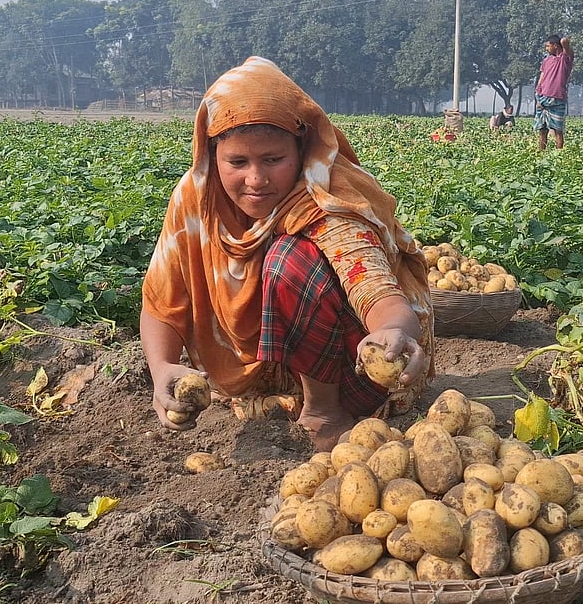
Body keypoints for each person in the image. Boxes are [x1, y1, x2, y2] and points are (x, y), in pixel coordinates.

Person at [139, 56, 433, 452]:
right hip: (265, 383)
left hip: (359, 370)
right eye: (237, 162)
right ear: (213, 155)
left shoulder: (326, 196)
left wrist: (395, 330)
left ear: (300, 150)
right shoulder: (196, 200)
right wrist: (161, 369)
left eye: (273, 160)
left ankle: (325, 412)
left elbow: (374, 288)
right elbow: (162, 299)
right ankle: (283, 393)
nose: (256, 179)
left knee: (289, 260)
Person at [533, 34, 574, 150]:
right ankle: (541, 153)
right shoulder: (546, 61)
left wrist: (562, 42)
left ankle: (559, 155)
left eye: (548, 46)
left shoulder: (565, 59)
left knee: (558, 130)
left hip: (557, 98)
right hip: (543, 97)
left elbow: (565, 41)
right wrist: (538, 92)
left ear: (556, 46)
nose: (546, 49)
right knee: (542, 130)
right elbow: (543, 75)